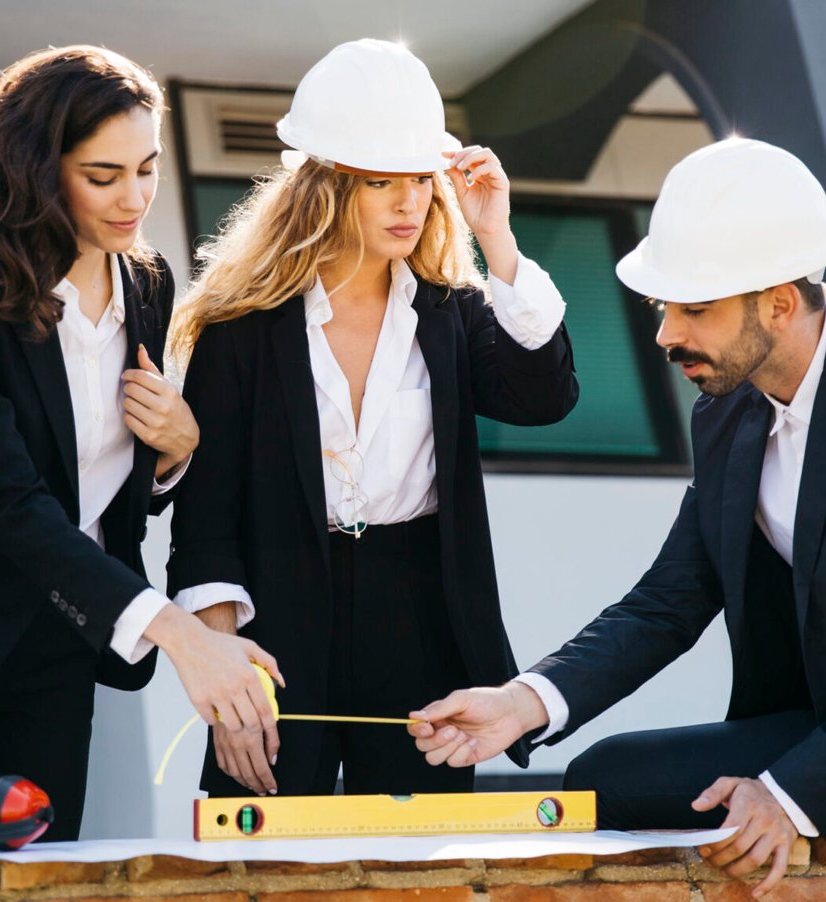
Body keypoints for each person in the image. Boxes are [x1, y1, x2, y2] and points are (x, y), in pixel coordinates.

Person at [408, 137, 826, 902]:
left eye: (694, 309)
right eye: (664, 308)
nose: (665, 335)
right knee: (602, 778)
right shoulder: (726, 414)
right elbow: (667, 602)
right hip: (820, 723)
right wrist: (522, 702)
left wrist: (788, 794)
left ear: (780, 304)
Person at [0, 45, 282, 841]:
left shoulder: (148, 283)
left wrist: (175, 452)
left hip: (61, 639)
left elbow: (100, 477)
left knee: (46, 870)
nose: (134, 198)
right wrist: (179, 635)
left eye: (148, 169)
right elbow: (8, 499)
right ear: (37, 171)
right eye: (104, 176)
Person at [165, 39, 578, 798]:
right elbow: (206, 522)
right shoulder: (240, 329)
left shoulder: (452, 312)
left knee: (414, 851)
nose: (409, 203)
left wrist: (498, 240)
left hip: (422, 620)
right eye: (381, 181)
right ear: (324, 187)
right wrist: (224, 680)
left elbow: (543, 399)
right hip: (275, 621)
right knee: (266, 847)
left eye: (421, 180)